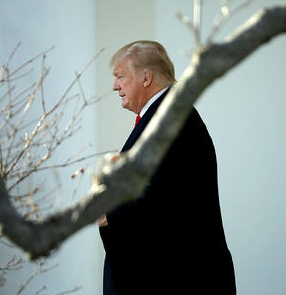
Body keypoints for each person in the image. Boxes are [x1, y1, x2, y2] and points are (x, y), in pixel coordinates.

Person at [99, 40, 236, 294]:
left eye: (120, 76)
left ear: (146, 78)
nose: (114, 86)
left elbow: (161, 197)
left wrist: (108, 213)